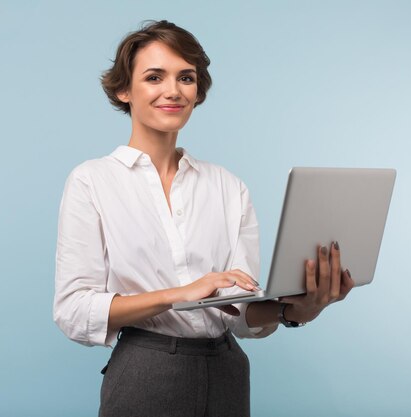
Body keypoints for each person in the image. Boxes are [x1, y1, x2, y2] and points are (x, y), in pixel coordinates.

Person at [53, 20, 354, 417]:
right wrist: (178, 294)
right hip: (146, 371)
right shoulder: (92, 181)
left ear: (198, 91)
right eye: (154, 77)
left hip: (226, 370)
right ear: (124, 89)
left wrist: (298, 310)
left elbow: (240, 312)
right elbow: (74, 310)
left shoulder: (229, 186)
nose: (173, 90)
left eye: (186, 77)